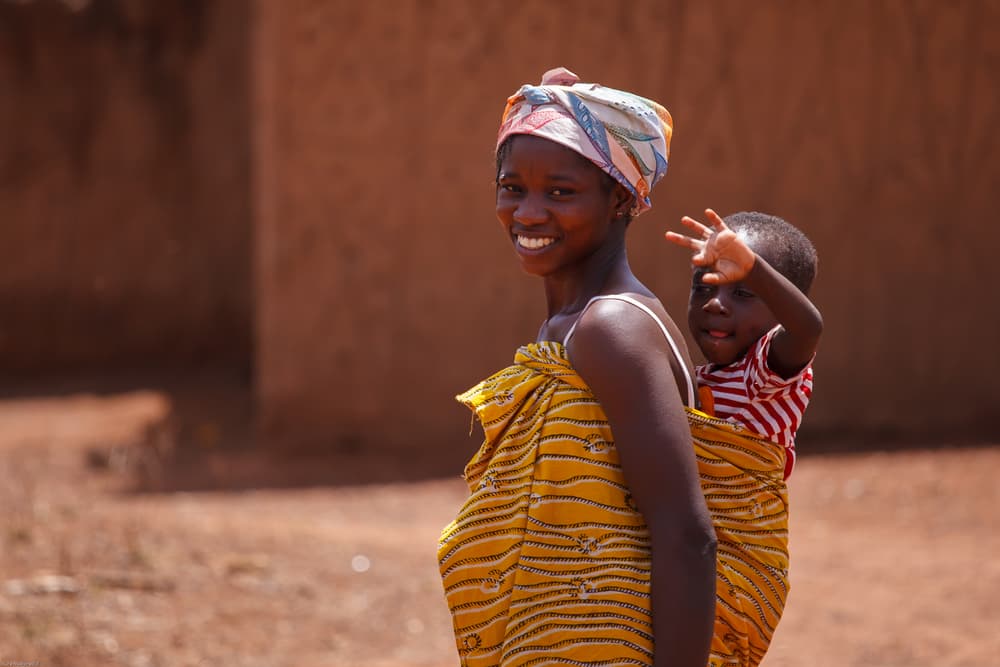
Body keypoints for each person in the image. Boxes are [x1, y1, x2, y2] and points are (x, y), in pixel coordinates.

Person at [438, 68, 717, 667]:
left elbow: (686, 535)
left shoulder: (610, 329)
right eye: (512, 187)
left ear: (621, 199)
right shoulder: (572, 325)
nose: (529, 212)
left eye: (560, 192)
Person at [664, 208, 823, 665]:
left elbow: (808, 327)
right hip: (702, 554)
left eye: (745, 292)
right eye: (705, 287)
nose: (716, 303)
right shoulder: (700, 378)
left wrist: (752, 264)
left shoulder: (767, 372)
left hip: (742, 560)